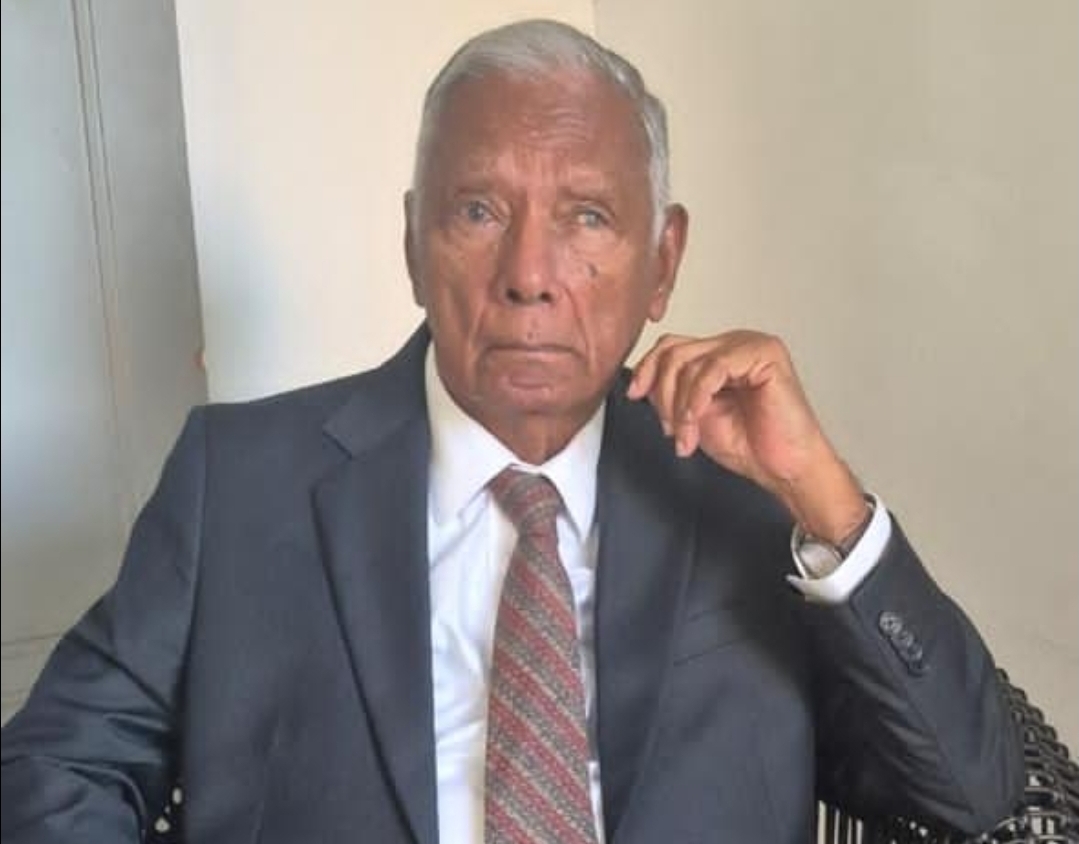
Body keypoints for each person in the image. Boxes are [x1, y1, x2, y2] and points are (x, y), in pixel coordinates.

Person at [1, 19, 1023, 843]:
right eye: (479, 211)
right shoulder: (240, 481)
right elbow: (55, 764)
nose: (529, 275)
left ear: (662, 262)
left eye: (587, 218)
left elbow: (973, 791)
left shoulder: (748, 501)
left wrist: (824, 497)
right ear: (413, 243)